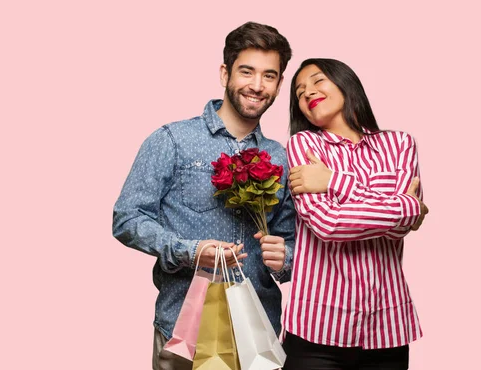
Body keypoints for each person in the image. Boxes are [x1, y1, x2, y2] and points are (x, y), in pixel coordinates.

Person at [112, 21, 296, 370]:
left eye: (269, 76)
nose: (257, 86)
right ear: (225, 73)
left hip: (257, 338)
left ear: (280, 83)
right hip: (184, 331)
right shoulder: (171, 140)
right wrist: (192, 251)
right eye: (247, 71)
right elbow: (127, 218)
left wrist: (286, 257)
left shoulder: (283, 158)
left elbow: (292, 249)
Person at [282, 58, 429, 370]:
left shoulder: (399, 143)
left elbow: (400, 228)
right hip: (316, 329)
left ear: (344, 83)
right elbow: (328, 224)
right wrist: (404, 206)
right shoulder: (303, 145)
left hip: (387, 327)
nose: (307, 92)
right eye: (299, 92)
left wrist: (333, 181)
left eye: (317, 81)